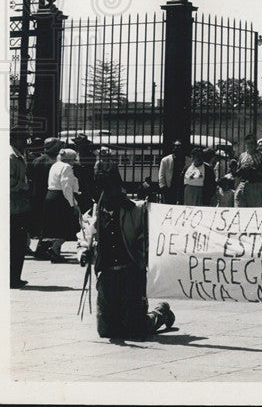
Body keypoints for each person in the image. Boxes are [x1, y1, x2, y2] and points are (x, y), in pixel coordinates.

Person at [77, 164, 176, 340]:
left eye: (111, 188)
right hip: (107, 277)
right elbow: (84, 239)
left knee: (135, 330)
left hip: (130, 276)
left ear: (118, 188)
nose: (107, 194)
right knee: (106, 332)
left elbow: (146, 241)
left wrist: (141, 258)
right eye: (103, 189)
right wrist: (85, 252)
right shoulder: (95, 212)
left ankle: (161, 313)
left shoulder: (136, 210)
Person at [44, 147, 81, 262]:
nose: (74, 162)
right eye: (74, 159)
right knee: (66, 226)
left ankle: (55, 252)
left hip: (51, 195)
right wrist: (72, 203)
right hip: (61, 198)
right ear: (69, 159)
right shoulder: (66, 167)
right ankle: (55, 249)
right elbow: (66, 186)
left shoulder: (55, 165)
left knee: (56, 226)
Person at [29, 137, 61, 259]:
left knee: (45, 223)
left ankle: (43, 249)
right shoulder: (53, 162)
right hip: (48, 194)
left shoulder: (37, 160)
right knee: (49, 223)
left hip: (37, 194)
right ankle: (42, 250)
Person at [10, 131, 31, 288]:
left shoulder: (19, 155)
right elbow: (6, 179)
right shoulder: (10, 157)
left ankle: (15, 277)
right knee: (15, 243)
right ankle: (12, 278)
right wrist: (22, 186)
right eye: (22, 139)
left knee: (19, 242)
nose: (25, 142)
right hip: (12, 205)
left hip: (19, 205)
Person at [233, 137, 262, 207]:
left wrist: (253, 170)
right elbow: (238, 172)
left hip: (255, 185)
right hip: (243, 185)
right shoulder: (242, 156)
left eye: (252, 143)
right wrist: (240, 170)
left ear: (255, 145)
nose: (250, 145)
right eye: (248, 143)